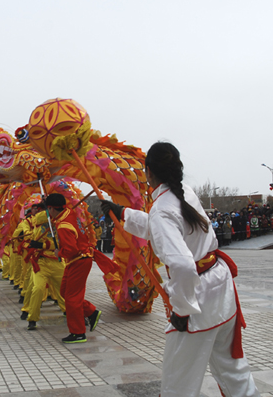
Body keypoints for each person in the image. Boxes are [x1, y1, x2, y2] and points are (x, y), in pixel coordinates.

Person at [101, 142, 258, 396]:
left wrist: (183, 310)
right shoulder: (184, 191)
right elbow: (168, 231)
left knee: (179, 382)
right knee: (232, 368)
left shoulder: (162, 209)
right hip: (219, 284)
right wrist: (124, 214)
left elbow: (182, 264)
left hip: (197, 299)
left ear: (148, 171)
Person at [45, 193, 102, 344]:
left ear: (51, 208)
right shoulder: (69, 213)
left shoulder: (63, 225)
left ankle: (78, 333)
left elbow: (71, 250)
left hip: (79, 260)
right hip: (76, 261)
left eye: (47, 209)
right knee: (64, 291)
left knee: (72, 298)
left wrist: (59, 252)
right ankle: (91, 312)